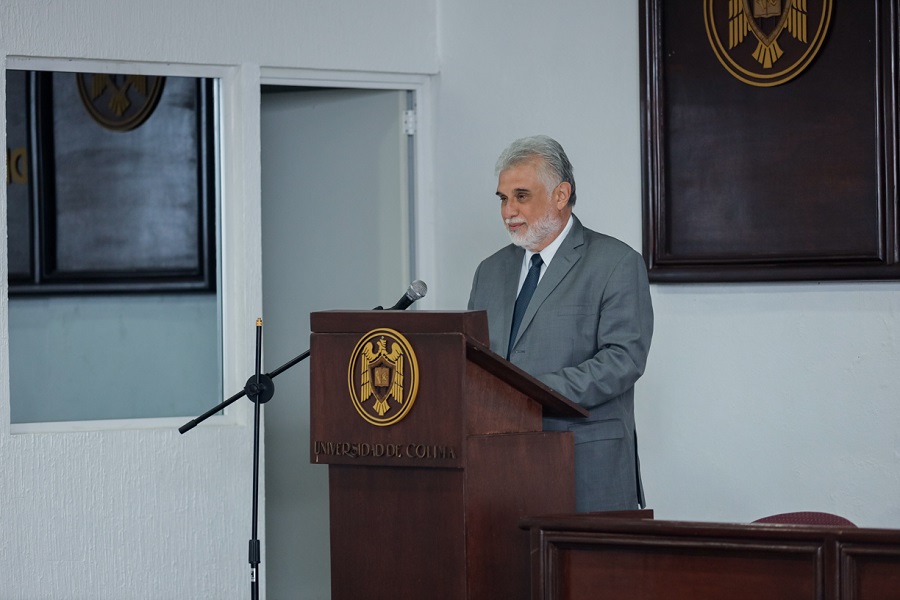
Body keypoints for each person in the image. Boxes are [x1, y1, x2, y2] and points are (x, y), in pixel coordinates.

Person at [467, 135, 654, 512]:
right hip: (500, 469)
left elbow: (623, 360)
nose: (508, 211)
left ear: (560, 194)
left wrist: (530, 390)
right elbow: (474, 361)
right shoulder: (490, 271)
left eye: (521, 195)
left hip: (585, 467)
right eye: (503, 198)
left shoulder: (616, 263)